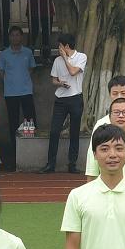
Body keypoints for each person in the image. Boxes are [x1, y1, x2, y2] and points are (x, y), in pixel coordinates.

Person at [44, 36, 88, 170]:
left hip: (75, 98)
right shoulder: (57, 60)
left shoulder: (81, 57)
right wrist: (60, 83)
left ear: (66, 46)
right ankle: (51, 164)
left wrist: (65, 58)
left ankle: (72, 164)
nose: (59, 49)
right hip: (61, 99)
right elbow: (53, 80)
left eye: (60, 46)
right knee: (54, 131)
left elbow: (73, 72)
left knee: (74, 131)